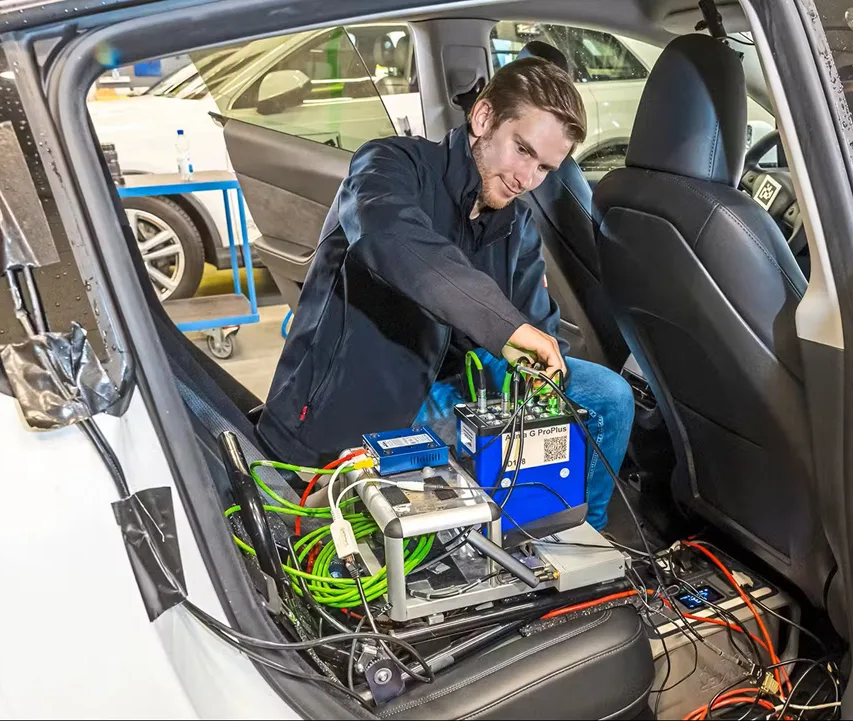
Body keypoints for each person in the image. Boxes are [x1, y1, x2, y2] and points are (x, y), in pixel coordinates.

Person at [257, 55, 633, 530]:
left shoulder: (517, 224)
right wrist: (506, 329)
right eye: (522, 150)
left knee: (608, 396)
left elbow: (534, 324)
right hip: (363, 395)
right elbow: (391, 241)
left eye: (544, 167)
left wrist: (542, 367)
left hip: (457, 391)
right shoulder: (389, 165)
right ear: (484, 118)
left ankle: (579, 537)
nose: (526, 179)